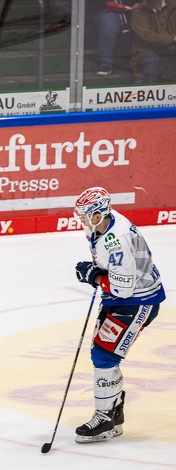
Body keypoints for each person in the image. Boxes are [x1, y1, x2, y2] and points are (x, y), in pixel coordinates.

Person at [72, 187, 165, 443]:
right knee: (102, 353)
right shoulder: (97, 225)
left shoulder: (117, 238)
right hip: (122, 297)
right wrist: (98, 272)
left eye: (84, 215)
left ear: (99, 213)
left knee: (104, 355)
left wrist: (96, 277)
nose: (80, 219)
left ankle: (104, 418)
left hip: (137, 300)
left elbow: (123, 287)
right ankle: (112, 413)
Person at [129, 0, 176, 83]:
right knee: (152, 62)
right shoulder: (139, 11)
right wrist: (172, 39)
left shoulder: (173, 7)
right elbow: (147, 36)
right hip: (146, 52)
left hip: (170, 49)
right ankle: (149, 91)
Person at [94, 1, 138, 76]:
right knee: (110, 23)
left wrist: (139, 4)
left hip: (131, 10)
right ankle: (106, 64)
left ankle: (142, 63)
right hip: (106, 10)